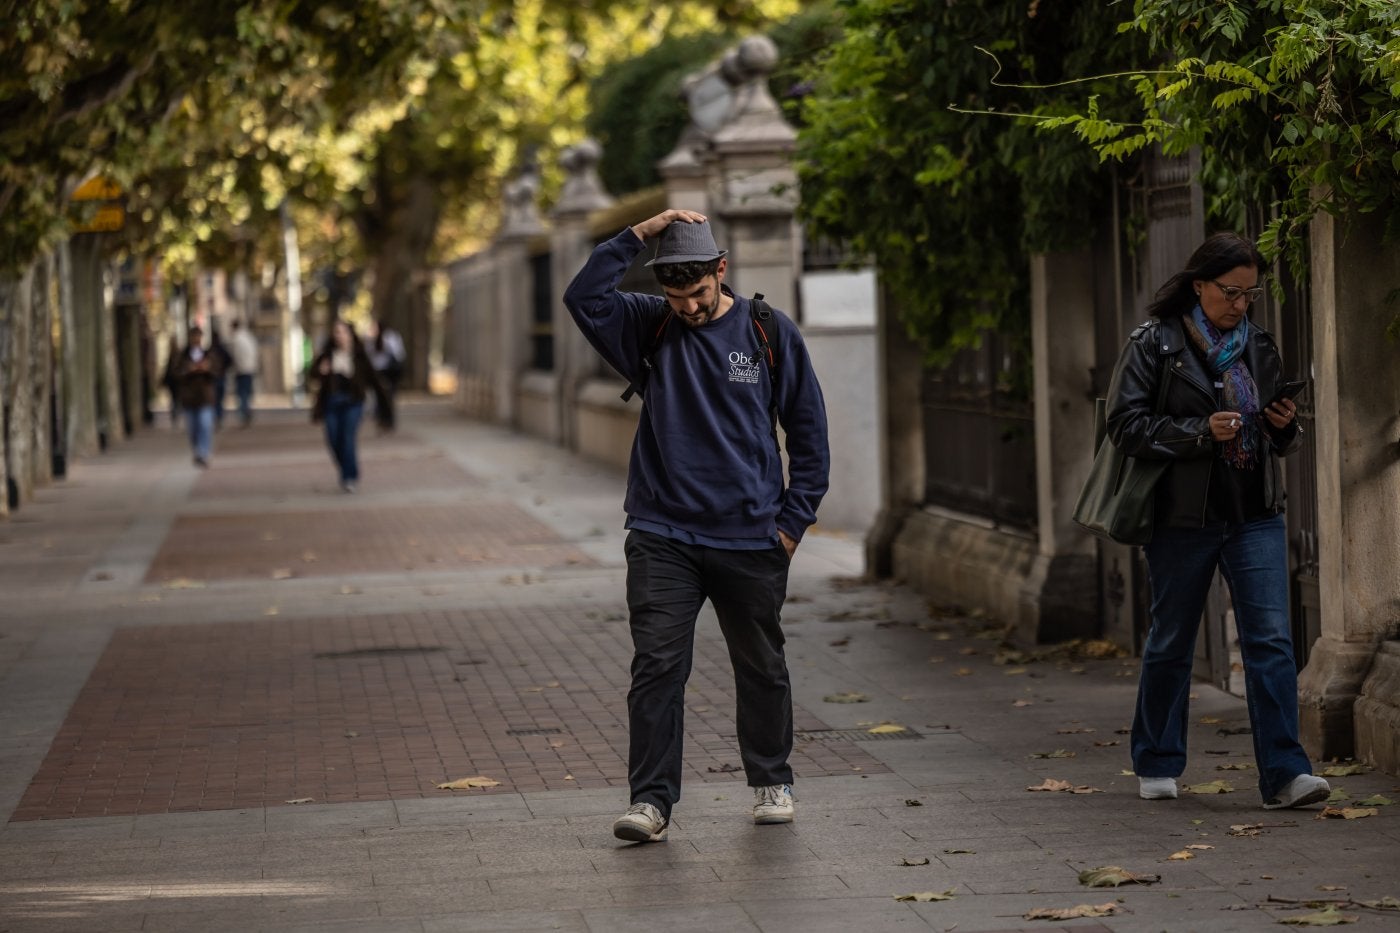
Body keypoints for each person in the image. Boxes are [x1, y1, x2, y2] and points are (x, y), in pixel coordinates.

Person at [563, 209, 830, 843]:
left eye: (699, 294)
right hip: (663, 534)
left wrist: (790, 526)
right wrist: (639, 234)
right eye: (677, 296)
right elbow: (582, 295)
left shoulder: (769, 331)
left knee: (761, 665)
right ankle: (650, 802)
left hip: (750, 537)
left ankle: (771, 780)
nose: (689, 308)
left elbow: (811, 436)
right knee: (657, 666)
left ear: (721, 271)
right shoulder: (647, 323)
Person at [1104, 232, 1329, 810]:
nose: (1241, 305)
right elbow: (1125, 427)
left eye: (1250, 295)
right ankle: (1156, 760)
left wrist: (1282, 425)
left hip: (1253, 513)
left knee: (1272, 642)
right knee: (1172, 639)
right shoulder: (1155, 345)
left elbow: (1278, 441)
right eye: (1231, 292)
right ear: (1199, 284)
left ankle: (1284, 773)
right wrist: (1200, 431)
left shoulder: (1258, 344)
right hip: (1183, 517)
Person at [309, 319, 386, 492]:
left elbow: (374, 380)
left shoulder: (359, 355)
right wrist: (321, 371)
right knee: (333, 439)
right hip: (332, 403)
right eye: (336, 332)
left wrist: (384, 407)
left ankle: (349, 477)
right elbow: (312, 374)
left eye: (343, 332)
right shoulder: (328, 354)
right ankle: (346, 467)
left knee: (347, 438)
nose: (340, 336)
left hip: (353, 402)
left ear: (350, 335)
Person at [170, 324, 224, 467]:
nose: (196, 340)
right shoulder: (183, 355)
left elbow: (218, 371)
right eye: (194, 337)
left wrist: (207, 368)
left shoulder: (208, 354)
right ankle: (197, 450)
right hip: (189, 399)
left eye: (198, 337)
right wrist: (188, 369)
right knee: (193, 429)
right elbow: (174, 373)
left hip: (205, 397)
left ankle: (204, 453)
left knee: (205, 425)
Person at [365, 318, 406, 430]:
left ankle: (389, 420)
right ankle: (381, 418)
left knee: (389, 396)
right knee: (379, 396)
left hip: (390, 372)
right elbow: (368, 355)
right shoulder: (371, 339)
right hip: (377, 371)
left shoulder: (390, 337)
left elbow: (399, 354)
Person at [229, 319, 259, 427]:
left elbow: (236, 356)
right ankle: (246, 411)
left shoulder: (237, 339)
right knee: (247, 393)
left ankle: (244, 413)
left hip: (242, 370)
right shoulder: (248, 336)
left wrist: (237, 367)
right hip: (250, 369)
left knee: (242, 394)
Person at [208, 327, 234, 429]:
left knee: (215, 400)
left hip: (215, 378)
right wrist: (224, 369)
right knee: (219, 400)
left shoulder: (211, 350)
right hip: (220, 377)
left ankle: (216, 417)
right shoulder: (222, 350)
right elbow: (230, 360)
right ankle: (219, 417)